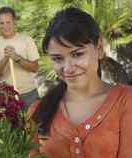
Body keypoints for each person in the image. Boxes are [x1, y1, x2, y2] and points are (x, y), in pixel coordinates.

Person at [28, 7, 132, 158]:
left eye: (77, 54)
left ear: (99, 49)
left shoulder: (126, 101)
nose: (68, 68)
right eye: (58, 58)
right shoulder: (38, 111)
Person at [0, 6, 40, 108]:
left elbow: (35, 68)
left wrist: (16, 57)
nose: (5, 26)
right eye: (2, 23)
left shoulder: (27, 40)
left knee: (34, 123)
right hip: (6, 95)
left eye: (8, 22)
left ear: (14, 22)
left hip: (29, 93)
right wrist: (6, 58)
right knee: (11, 124)